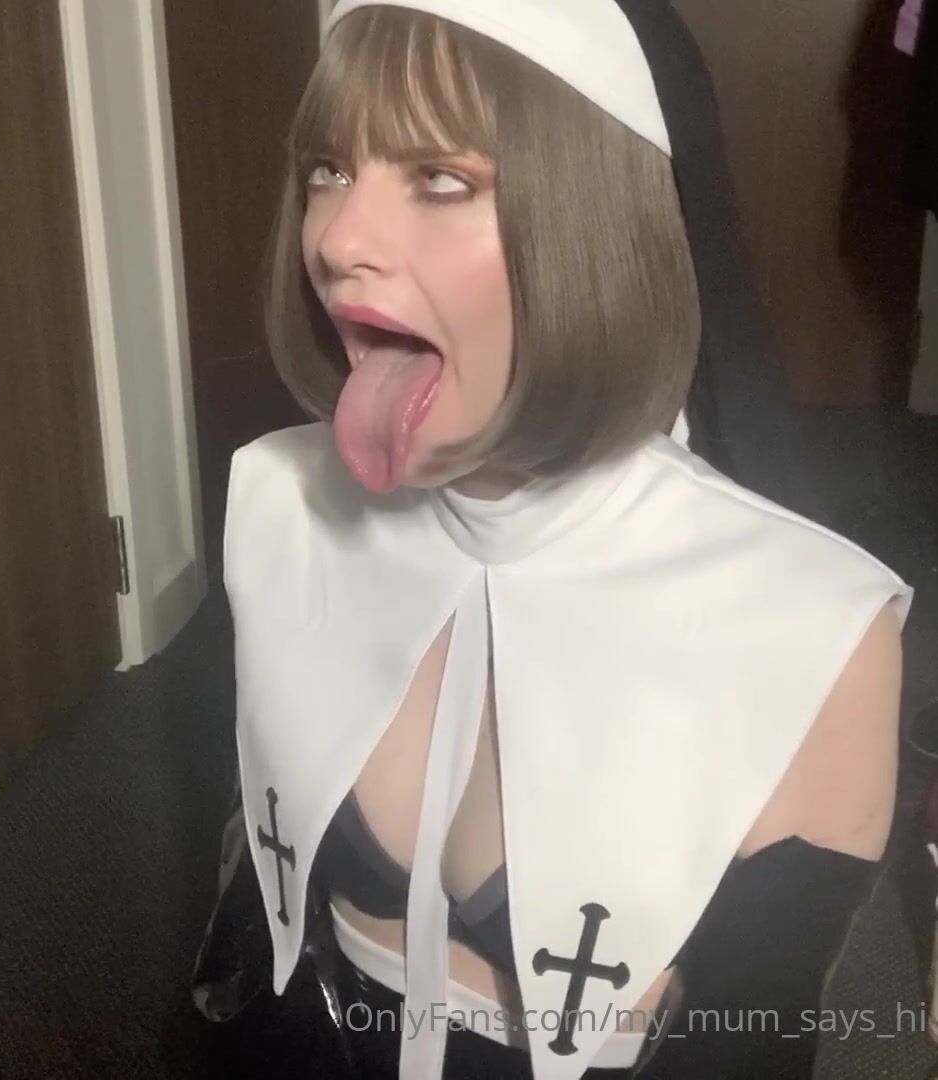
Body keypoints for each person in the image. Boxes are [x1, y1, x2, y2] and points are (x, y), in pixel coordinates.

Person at [215, 2, 914, 1077]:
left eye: (439, 178)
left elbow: (753, 1044)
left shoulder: (812, 633)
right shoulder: (279, 505)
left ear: (596, 226)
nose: (338, 239)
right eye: (328, 169)